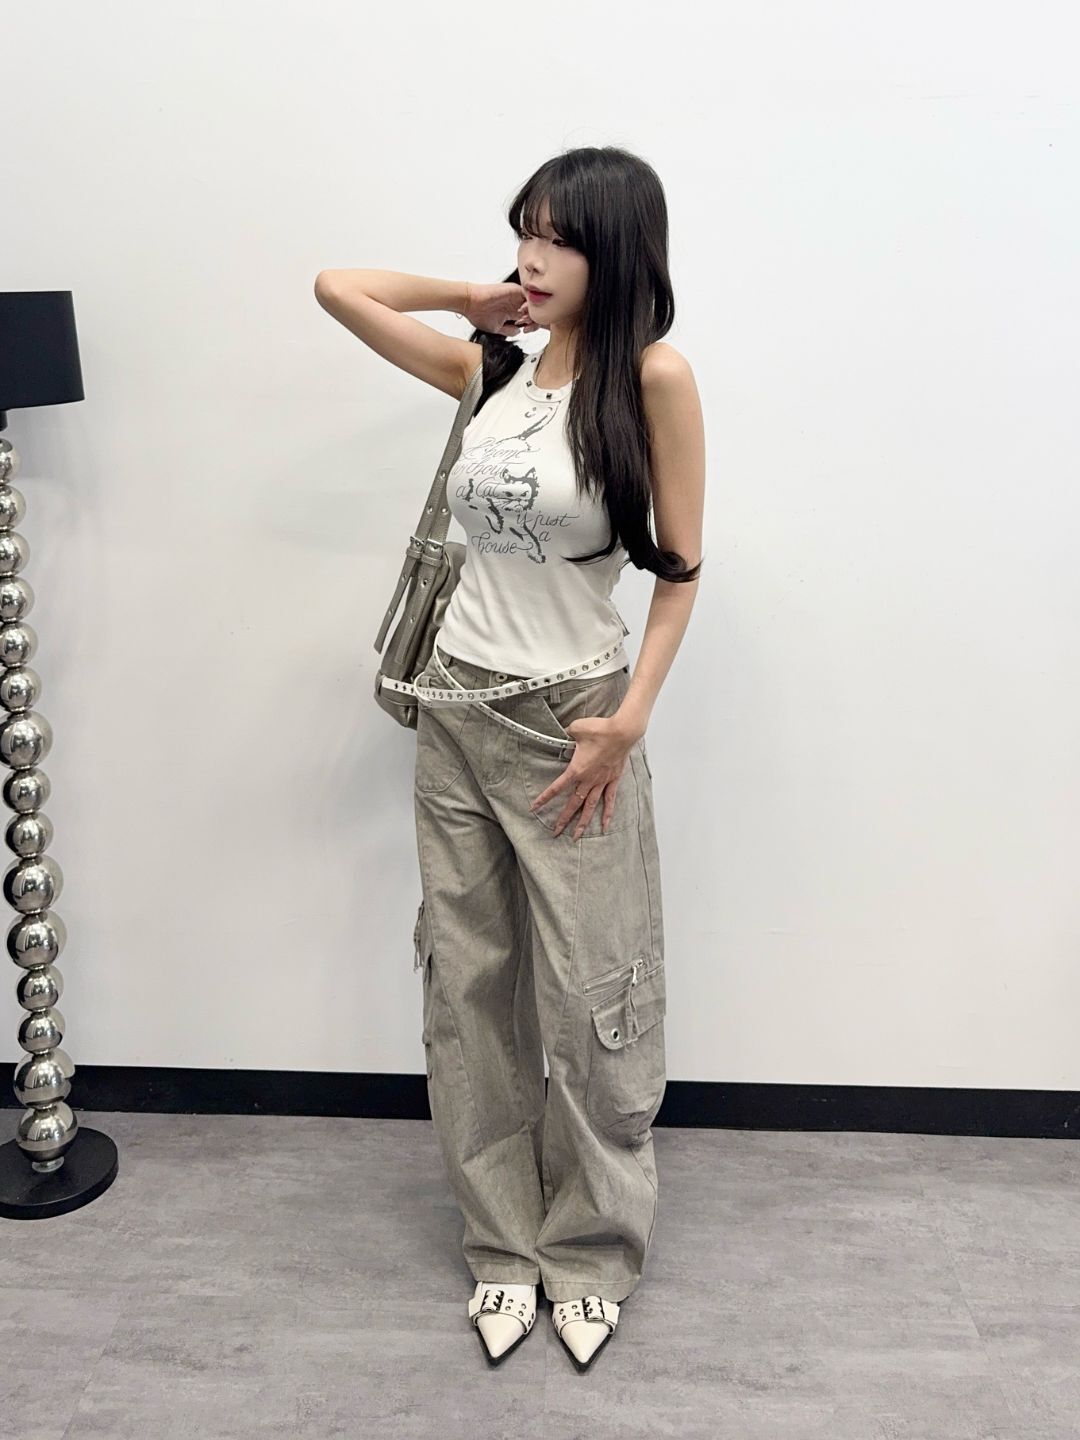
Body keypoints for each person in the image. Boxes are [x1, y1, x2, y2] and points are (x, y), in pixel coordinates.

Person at [315, 144, 705, 1371]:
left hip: (571, 722)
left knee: (592, 994)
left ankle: (589, 1250)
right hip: (456, 708)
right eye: (522, 233)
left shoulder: (654, 379)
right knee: (468, 988)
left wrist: (631, 718)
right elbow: (337, 287)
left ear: (616, 250)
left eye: (558, 239)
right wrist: (472, 298)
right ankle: (501, 1244)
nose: (532, 258)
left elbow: (680, 572)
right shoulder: (492, 370)